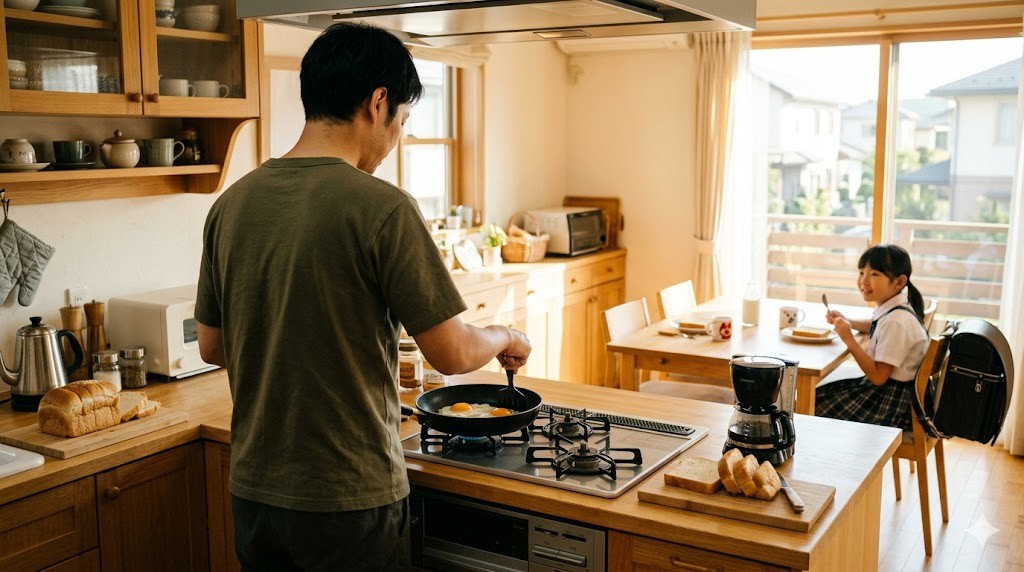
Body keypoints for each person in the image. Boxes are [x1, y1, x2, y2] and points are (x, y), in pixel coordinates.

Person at [194, 22, 531, 571]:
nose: (397, 134)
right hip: (347, 498)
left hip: (255, 494)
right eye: (401, 119)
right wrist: (506, 336)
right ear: (378, 103)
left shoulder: (230, 205)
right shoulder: (383, 208)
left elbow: (212, 346)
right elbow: (449, 352)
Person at [815, 244, 928, 430]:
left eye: (874, 274)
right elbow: (876, 324)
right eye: (861, 273)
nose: (864, 281)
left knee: (811, 404)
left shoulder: (897, 322)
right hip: (888, 394)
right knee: (817, 396)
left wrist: (849, 340)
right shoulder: (895, 310)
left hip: (889, 404)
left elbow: (878, 377)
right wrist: (848, 321)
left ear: (899, 282)